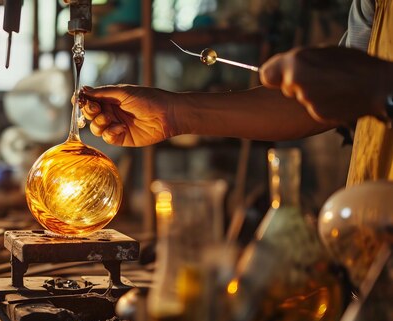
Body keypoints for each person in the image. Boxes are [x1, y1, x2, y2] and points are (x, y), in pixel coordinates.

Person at [81, 0, 393, 185]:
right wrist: (173, 113)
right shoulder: (373, 5)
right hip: (373, 236)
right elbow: (317, 104)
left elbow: (363, 87)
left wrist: (379, 86)